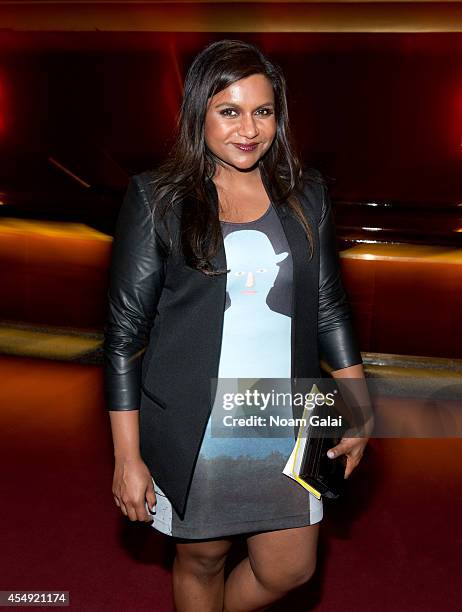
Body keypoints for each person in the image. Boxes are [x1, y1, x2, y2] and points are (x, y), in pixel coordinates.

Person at [103, 39, 372, 612]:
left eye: (263, 111)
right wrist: (127, 458)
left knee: (291, 569)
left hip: (286, 414)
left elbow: (328, 305)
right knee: (201, 558)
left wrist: (357, 402)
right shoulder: (158, 197)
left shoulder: (306, 195)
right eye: (229, 111)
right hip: (195, 422)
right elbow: (125, 337)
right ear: (200, 113)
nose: (248, 129)